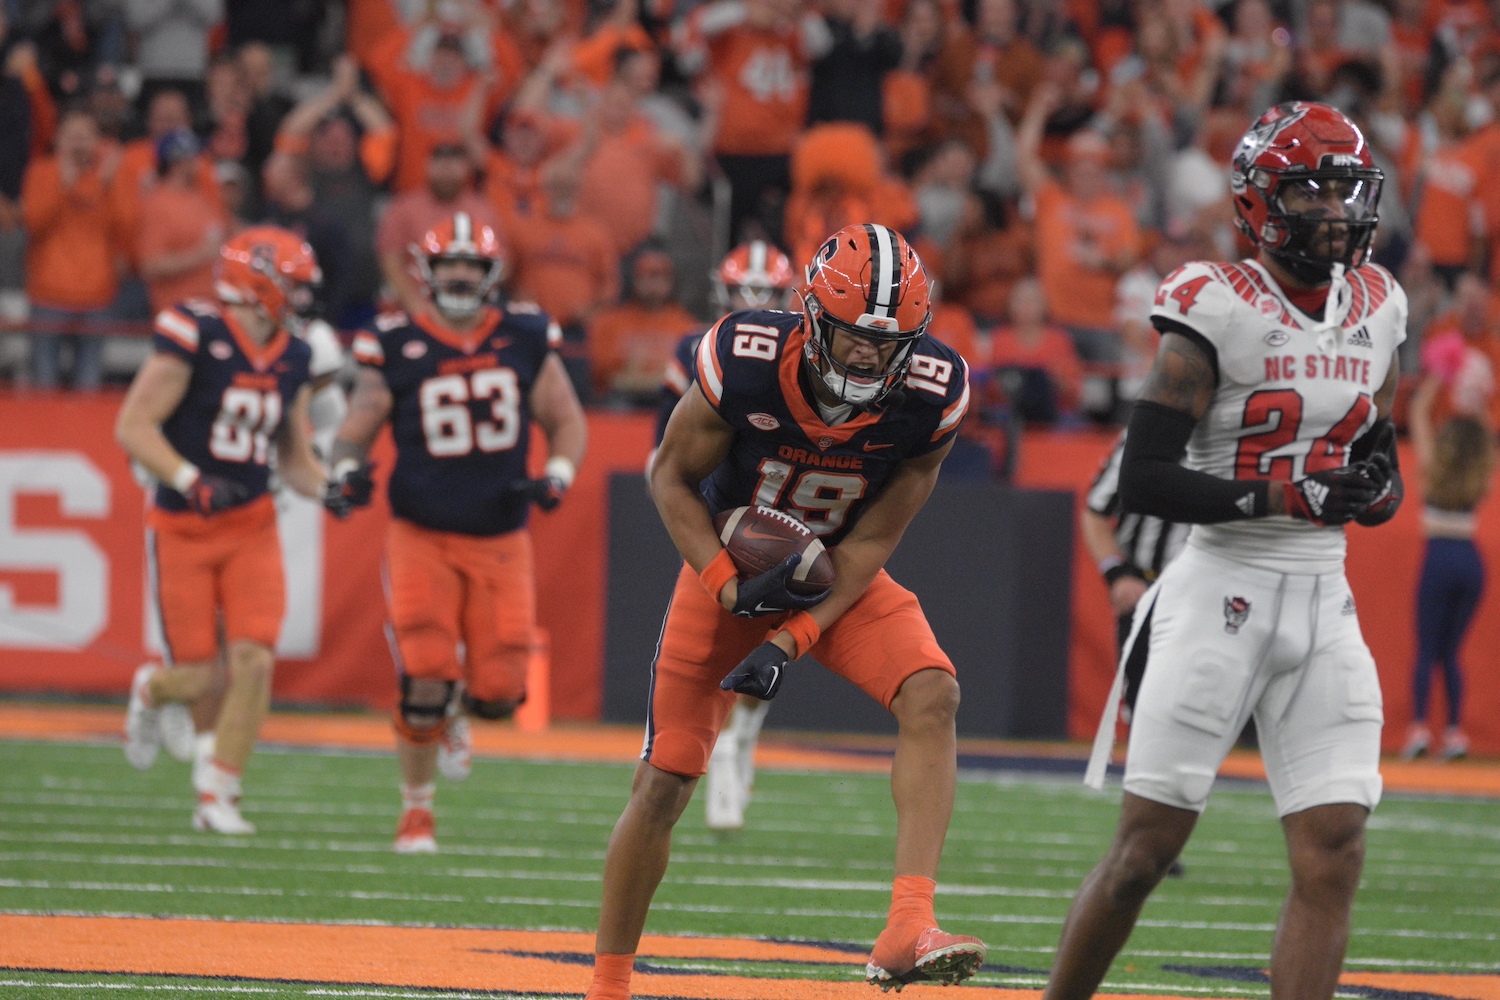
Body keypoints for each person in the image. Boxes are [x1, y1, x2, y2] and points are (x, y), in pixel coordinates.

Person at [1050, 102, 1406, 1000]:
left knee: (1334, 851)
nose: (1336, 209)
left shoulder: (1381, 305)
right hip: (1220, 587)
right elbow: (1146, 480)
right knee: (1143, 854)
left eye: (1345, 189)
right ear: (1260, 204)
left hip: (1323, 596)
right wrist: (1289, 495)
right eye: (1314, 190)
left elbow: (1376, 444)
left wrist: (1376, 488)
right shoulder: (1214, 304)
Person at [585, 223, 986, 999]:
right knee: (666, 779)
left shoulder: (933, 394)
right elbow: (668, 478)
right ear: (809, 317)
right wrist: (727, 585)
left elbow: (874, 538)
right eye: (852, 336)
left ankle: (908, 925)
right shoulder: (745, 363)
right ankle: (607, 985)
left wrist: (794, 636)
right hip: (729, 568)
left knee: (932, 693)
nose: (870, 355)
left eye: (889, 341)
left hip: (835, 571)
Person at [325, 212, 587, 854]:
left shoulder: (525, 334)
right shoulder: (396, 341)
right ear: (430, 273)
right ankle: (416, 813)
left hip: (500, 536)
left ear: (491, 274)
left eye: (472, 265)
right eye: (451, 265)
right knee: (424, 673)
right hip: (422, 534)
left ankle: (454, 717)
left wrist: (556, 471)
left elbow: (566, 419)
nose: (462, 276)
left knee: (500, 692)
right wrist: (344, 469)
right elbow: (356, 426)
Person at [115, 227, 326, 835]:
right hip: (184, 526)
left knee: (256, 659)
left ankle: (218, 792)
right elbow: (134, 425)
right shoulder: (196, 332)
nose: (302, 299)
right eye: (294, 284)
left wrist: (332, 485)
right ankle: (153, 691)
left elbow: (294, 459)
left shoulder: (294, 354)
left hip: (251, 523)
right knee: (199, 676)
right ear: (260, 281)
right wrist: (189, 478)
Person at [651, 240, 797, 833]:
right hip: (712, 510)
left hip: (776, 510)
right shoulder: (698, 349)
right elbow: (664, 451)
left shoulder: (806, 356)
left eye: (766, 296)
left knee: (773, 633)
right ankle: (717, 743)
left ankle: (742, 737)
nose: (754, 308)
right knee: (713, 638)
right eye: (743, 295)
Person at [1401, 332, 1495, 760]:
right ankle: (1455, 732)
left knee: (1427, 648)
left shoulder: (1434, 455)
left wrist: (1442, 373)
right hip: (1472, 560)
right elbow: (1485, 426)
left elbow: (1418, 409)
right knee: (1451, 653)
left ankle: (1420, 728)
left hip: (1439, 555)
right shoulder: (1482, 459)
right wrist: (1477, 392)